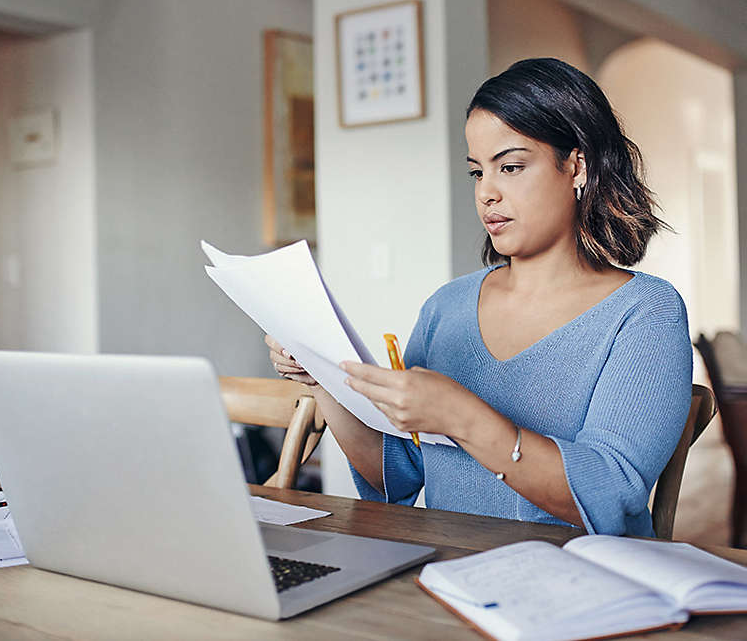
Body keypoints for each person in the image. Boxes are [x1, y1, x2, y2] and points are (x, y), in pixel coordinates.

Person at [266, 58, 692, 537]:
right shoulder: (446, 308)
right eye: (477, 172)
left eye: (510, 167)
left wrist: (462, 417)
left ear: (577, 166)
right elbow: (399, 474)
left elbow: (611, 493)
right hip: (448, 574)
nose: (487, 192)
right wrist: (320, 377)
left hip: (585, 588)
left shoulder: (646, 311)